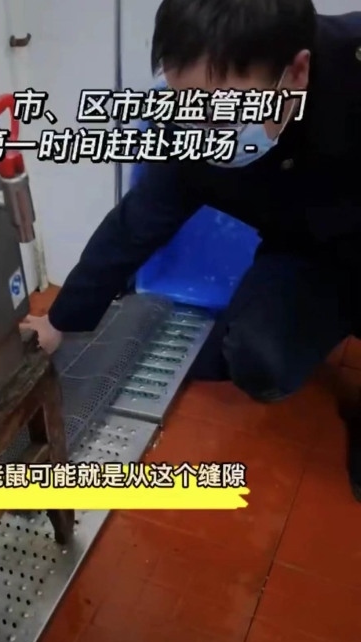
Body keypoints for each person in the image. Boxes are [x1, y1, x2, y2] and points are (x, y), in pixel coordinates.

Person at [22, 0, 361, 499]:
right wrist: (59, 320)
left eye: (225, 116)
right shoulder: (186, 126)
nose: (205, 134)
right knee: (255, 359)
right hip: (306, 254)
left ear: (297, 73)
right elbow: (136, 224)